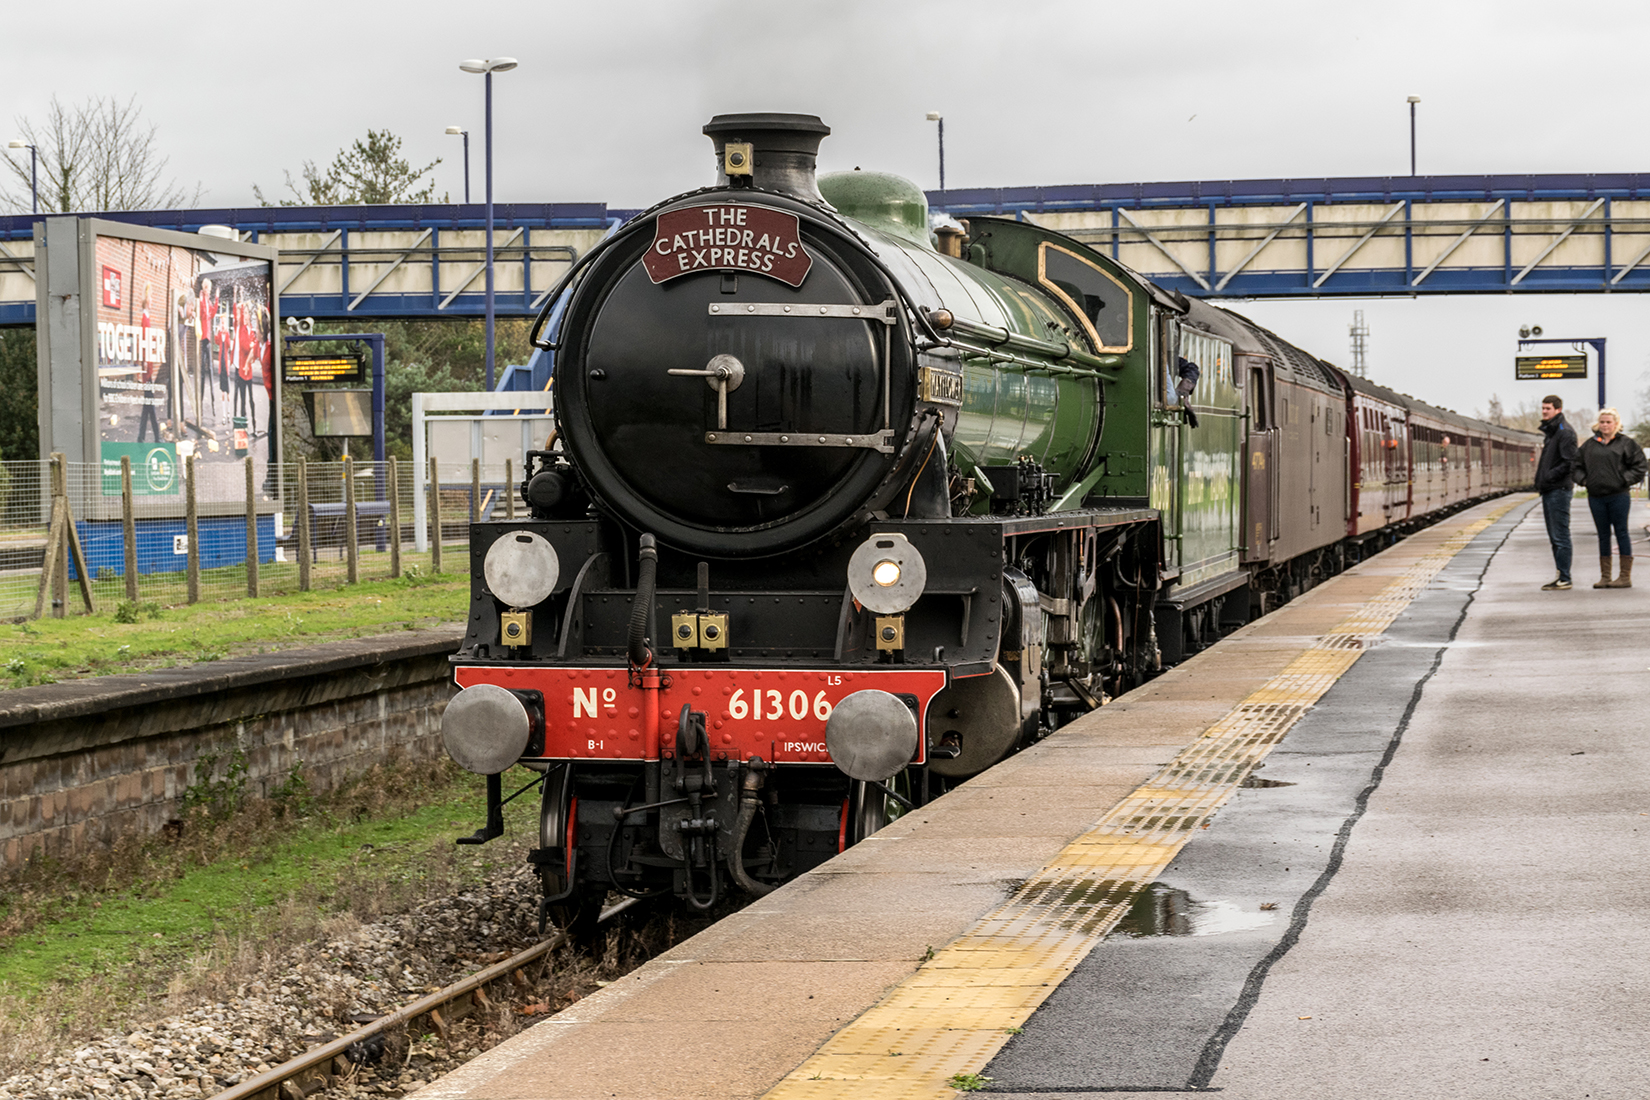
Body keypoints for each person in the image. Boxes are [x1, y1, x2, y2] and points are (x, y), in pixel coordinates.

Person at [1574, 407, 1647, 588]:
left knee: (1621, 532)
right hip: (1596, 496)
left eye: (1608, 422)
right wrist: (1585, 481)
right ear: (1598, 424)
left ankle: (1624, 576)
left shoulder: (1626, 444)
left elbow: (1640, 466)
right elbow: (1575, 466)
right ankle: (1605, 576)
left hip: (1619, 495)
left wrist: (1624, 480)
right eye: (1602, 422)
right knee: (1603, 535)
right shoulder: (1589, 445)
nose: (1605, 425)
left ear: (1616, 424)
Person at [1534, 394, 1578, 590]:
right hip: (1551, 489)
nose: (1544, 412)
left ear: (1558, 410)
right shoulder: (1552, 432)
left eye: (1548, 408)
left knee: (1560, 535)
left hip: (1558, 489)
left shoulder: (1564, 432)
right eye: (1543, 408)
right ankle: (1560, 574)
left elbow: (1570, 462)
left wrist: (1550, 476)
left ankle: (1565, 577)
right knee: (1554, 536)